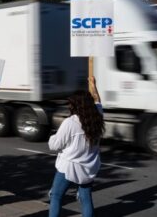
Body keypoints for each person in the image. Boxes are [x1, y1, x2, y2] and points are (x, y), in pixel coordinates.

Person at [48, 77, 105, 217]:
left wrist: (53, 136)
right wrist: (93, 84)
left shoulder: (70, 123)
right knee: (86, 199)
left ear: (75, 106)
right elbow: (97, 100)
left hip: (69, 167)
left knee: (56, 196)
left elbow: (54, 145)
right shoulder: (97, 116)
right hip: (88, 168)